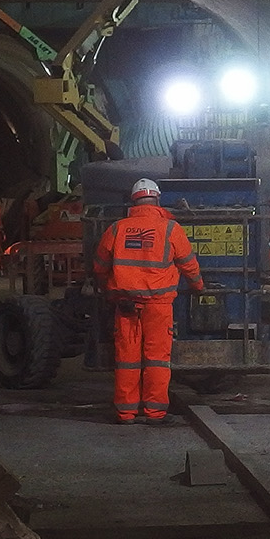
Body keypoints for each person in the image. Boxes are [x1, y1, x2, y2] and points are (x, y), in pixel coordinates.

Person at [92, 178, 202, 425]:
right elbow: (189, 265)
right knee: (157, 360)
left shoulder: (117, 229)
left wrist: (110, 292)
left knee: (127, 360)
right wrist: (198, 287)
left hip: (125, 305)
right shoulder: (171, 229)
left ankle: (126, 413)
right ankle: (155, 413)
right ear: (158, 200)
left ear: (133, 201)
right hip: (159, 306)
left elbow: (99, 267)